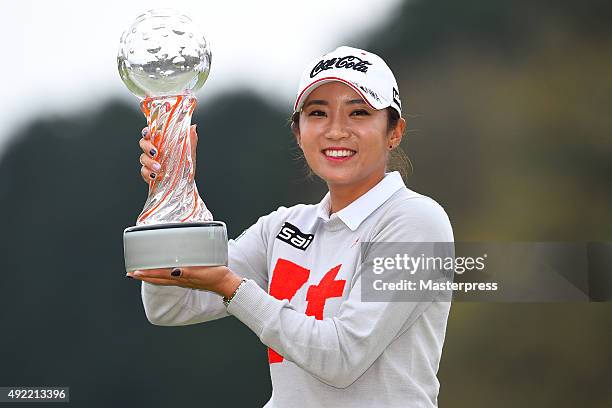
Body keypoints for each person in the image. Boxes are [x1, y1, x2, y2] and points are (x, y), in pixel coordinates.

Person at [128, 46, 454, 408]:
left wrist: (233, 289)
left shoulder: (418, 221)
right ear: (298, 132)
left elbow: (341, 358)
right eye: (318, 114)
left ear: (394, 132)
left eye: (358, 112)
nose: (336, 130)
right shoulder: (282, 226)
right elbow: (172, 305)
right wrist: (173, 188)